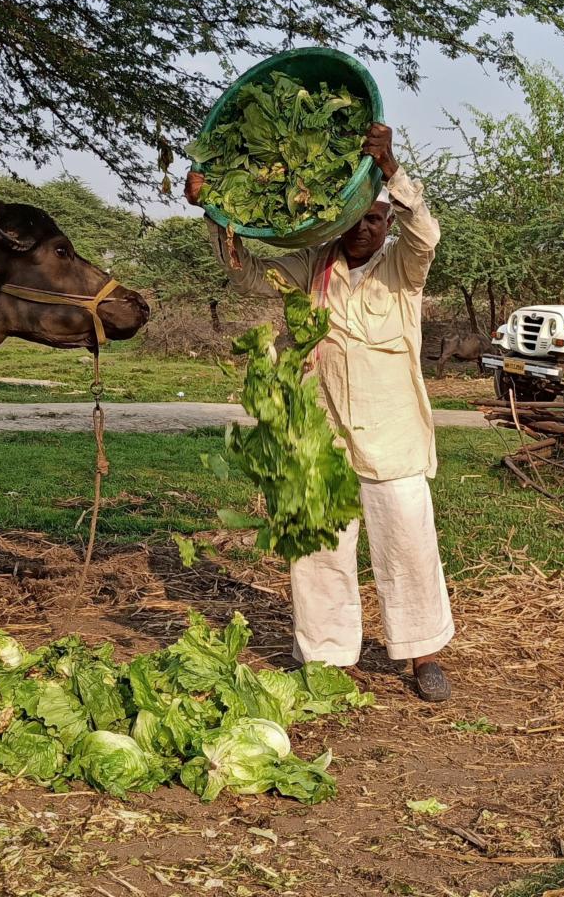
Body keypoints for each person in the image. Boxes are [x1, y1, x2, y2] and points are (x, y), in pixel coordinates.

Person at [187, 123, 455, 702]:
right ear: (339, 220)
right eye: (356, 218)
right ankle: (328, 655)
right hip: (318, 428)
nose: (366, 229)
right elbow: (247, 274)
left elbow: (426, 236)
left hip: (394, 433)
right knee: (317, 546)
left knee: (407, 543)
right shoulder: (312, 267)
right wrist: (213, 211)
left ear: (386, 223)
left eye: (376, 219)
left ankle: (421, 654)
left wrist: (391, 172)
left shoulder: (402, 271)